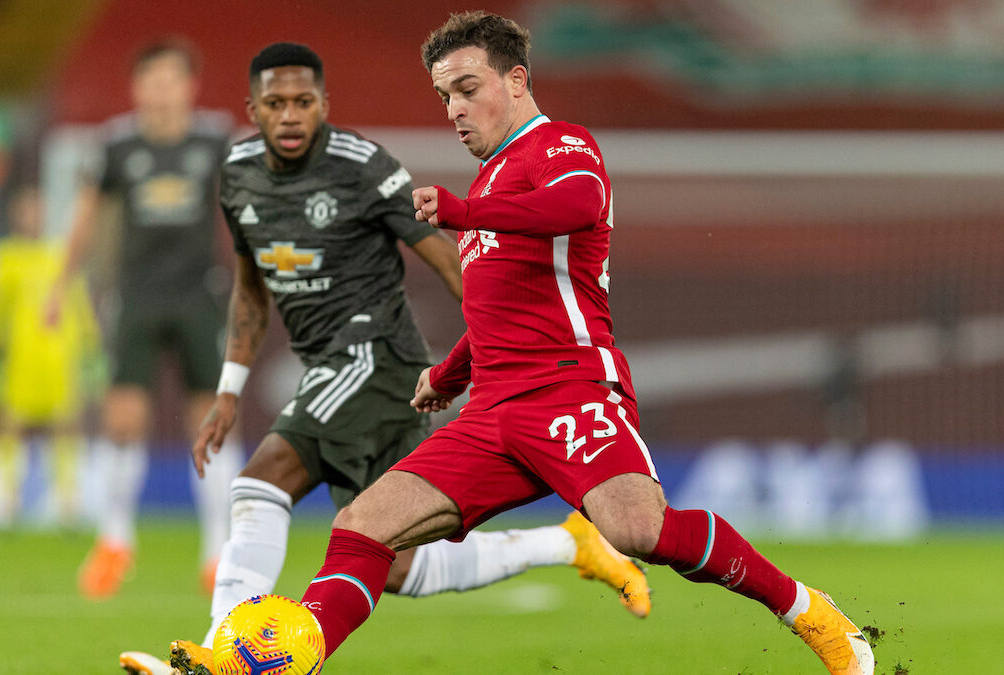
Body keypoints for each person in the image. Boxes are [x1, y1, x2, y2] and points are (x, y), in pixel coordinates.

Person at [288, 12, 876, 675]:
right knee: (362, 527)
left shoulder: (559, 146)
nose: (455, 108)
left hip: (567, 388)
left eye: (467, 87)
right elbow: (503, 312)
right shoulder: (489, 180)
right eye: (444, 95)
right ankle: (287, 658)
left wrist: (464, 212)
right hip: (491, 413)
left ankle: (805, 608)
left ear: (516, 79)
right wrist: (450, 375)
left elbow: (578, 205)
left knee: (636, 530)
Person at [118, 42, 651, 675]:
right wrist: (231, 386)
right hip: (327, 364)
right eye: (275, 104)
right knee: (395, 562)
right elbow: (250, 283)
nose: (290, 116)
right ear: (251, 110)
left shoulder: (363, 165)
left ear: (323, 104)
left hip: (379, 356)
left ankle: (220, 655)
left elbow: (460, 258)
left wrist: (495, 348)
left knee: (261, 480)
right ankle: (567, 545)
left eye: (303, 102)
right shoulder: (236, 173)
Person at [49, 39, 244, 598]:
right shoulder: (117, 145)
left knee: (207, 422)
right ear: (138, 87)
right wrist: (60, 287)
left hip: (196, 295)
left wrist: (257, 270)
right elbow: (85, 218)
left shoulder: (213, 140)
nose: (161, 89)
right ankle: (114, 541)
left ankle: (216, 551)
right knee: (122, 419)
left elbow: (240, 212)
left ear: (190, 85)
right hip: (135, 296)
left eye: (171, 78)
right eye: (151, 79)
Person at [0, 184, 105, 527]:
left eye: (38, 209)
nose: (33, 216)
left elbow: (80, 306)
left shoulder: (61, 254)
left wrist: (90, 350)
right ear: (16, 214)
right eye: (27, 209)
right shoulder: (1, 258)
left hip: (59, 357)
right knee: (10, 425)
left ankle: (68, 501)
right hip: (19, 359)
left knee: (66, 427)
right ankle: (5, 500)